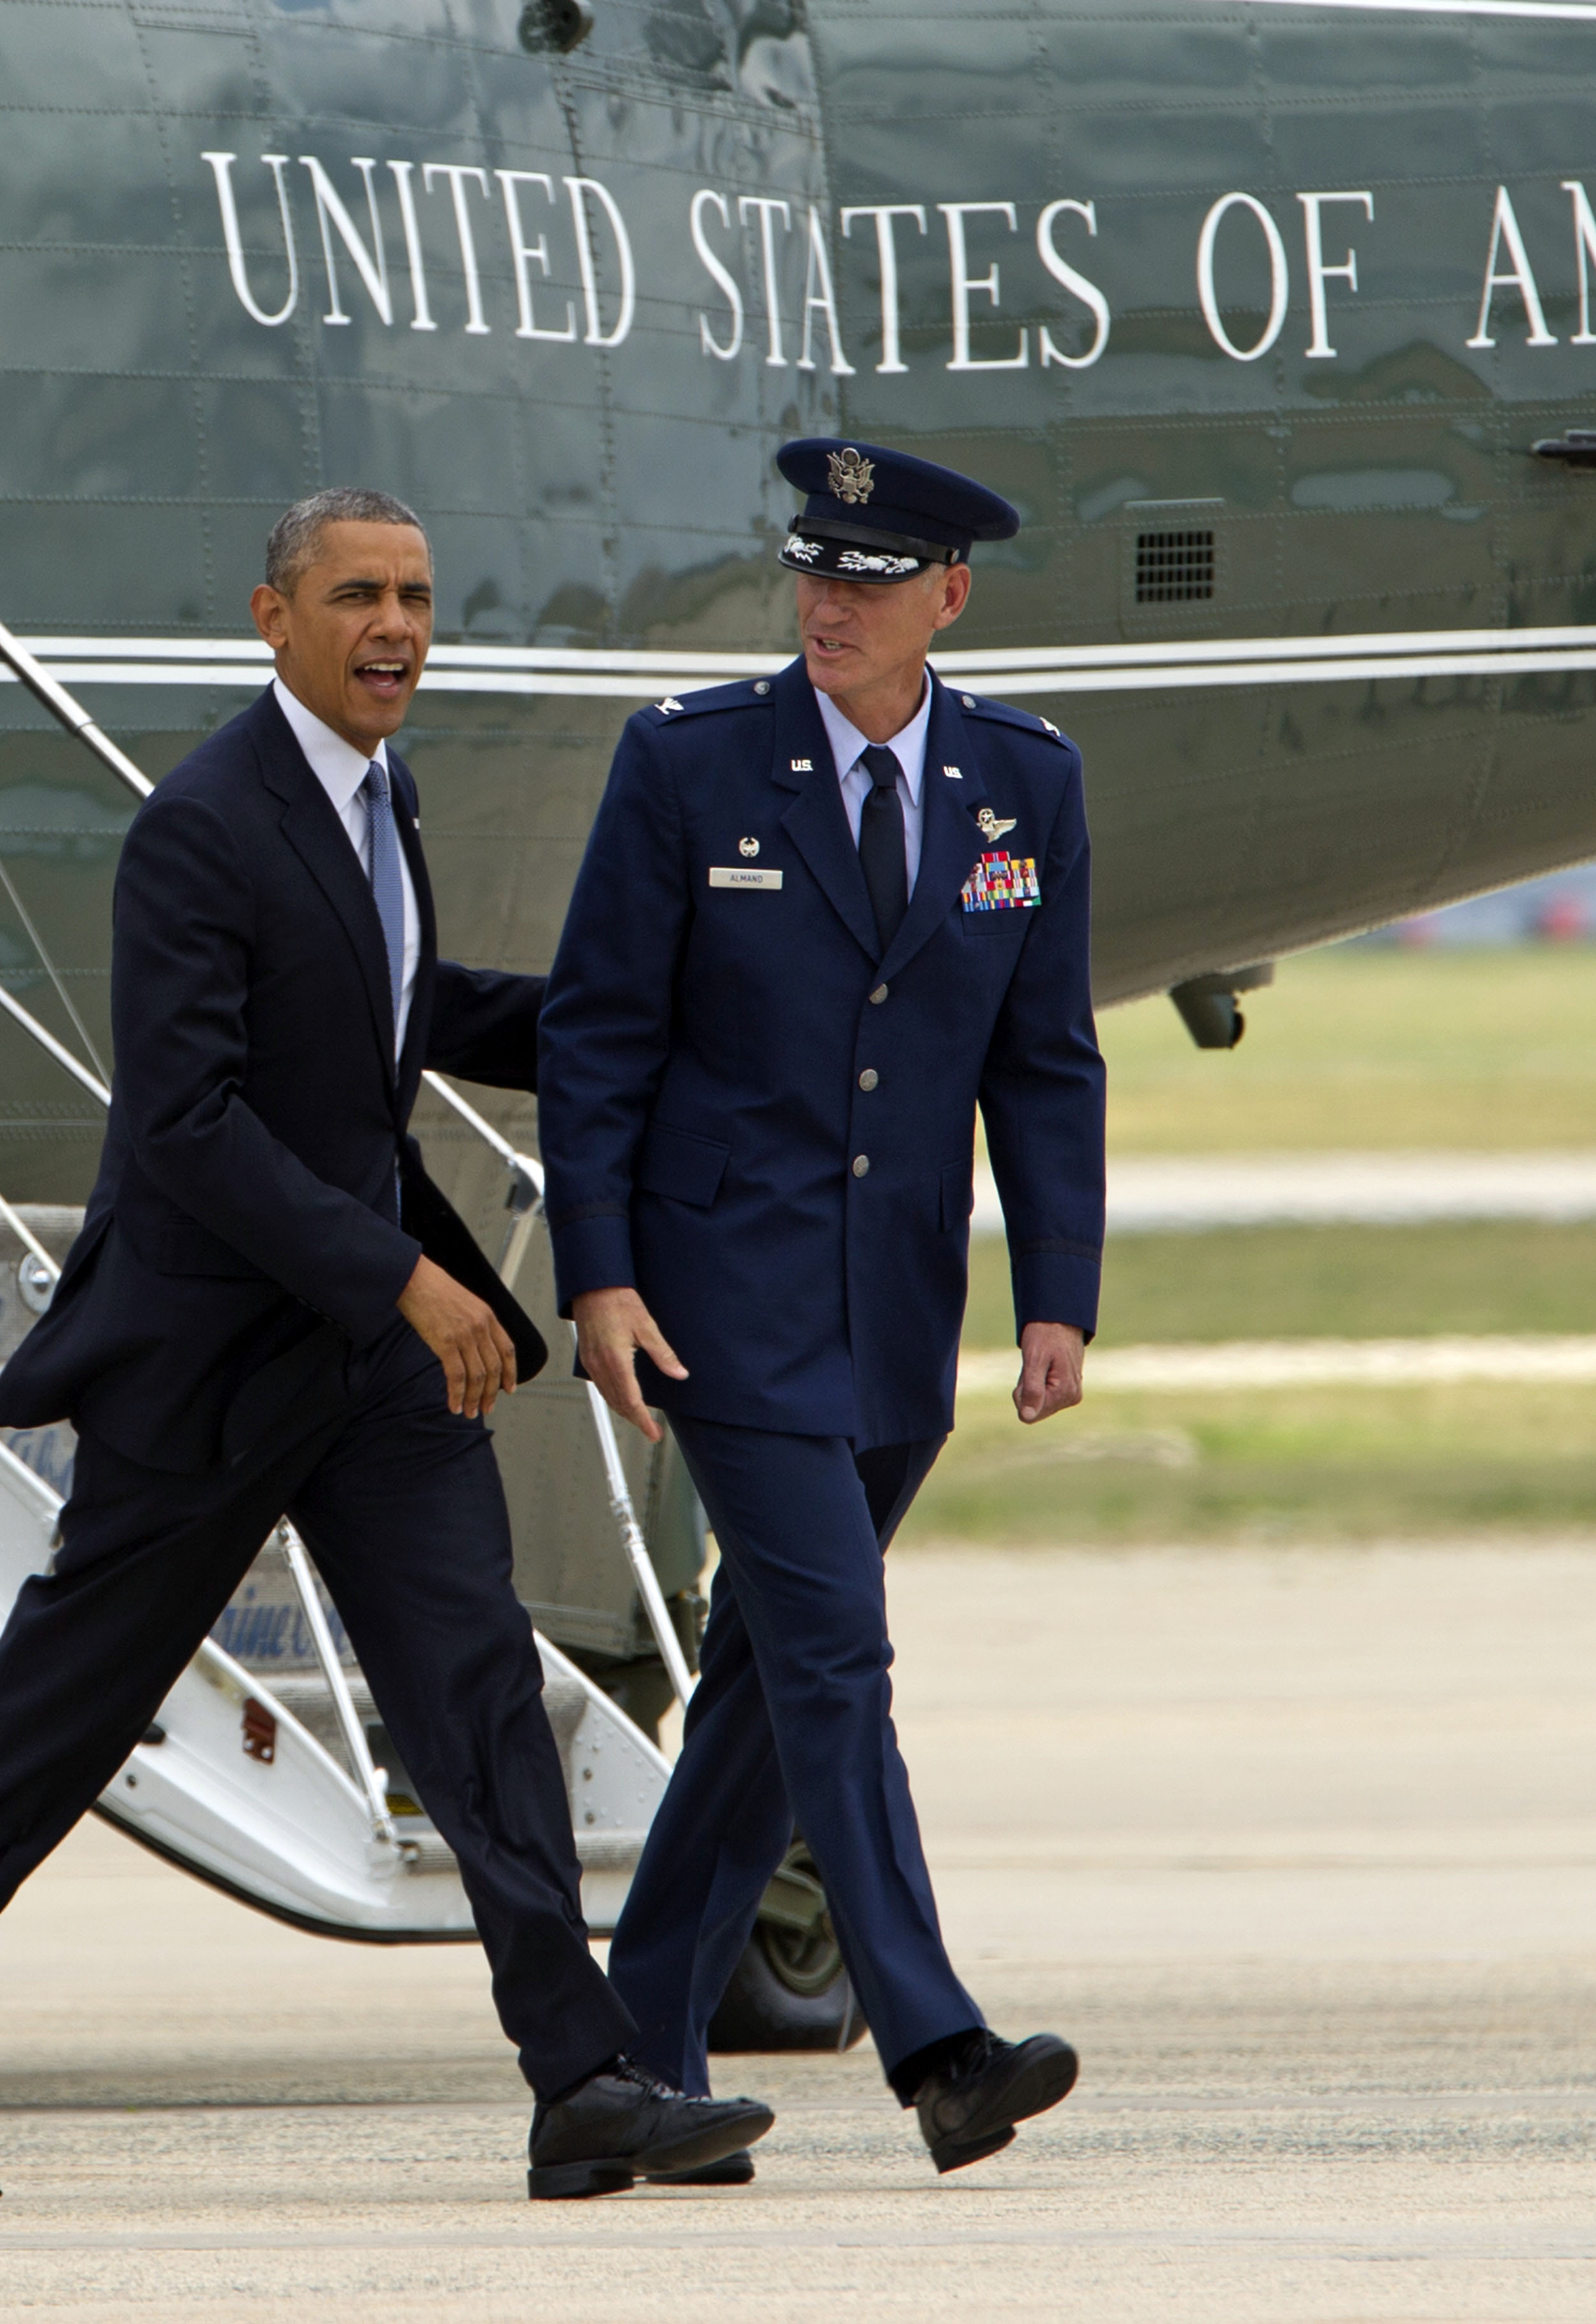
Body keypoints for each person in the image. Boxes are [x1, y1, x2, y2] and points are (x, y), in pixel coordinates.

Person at [0, 488, 771, 2205]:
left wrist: (625, 1024)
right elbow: (188, 1122)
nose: (395, 627)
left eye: (414, 595)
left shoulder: (378, 796)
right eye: (356, 598)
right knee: (58, 1718)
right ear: (274, 619)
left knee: (478, 1694)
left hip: (365, 1376)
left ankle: (582, 2082)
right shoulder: (203, 828)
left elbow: (392, 1022)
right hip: (206, 1363)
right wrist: (409, 1278)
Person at [538, 438, 1108, 2176]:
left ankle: (611, 2096)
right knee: (836, 1659)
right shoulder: (692, 763)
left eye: (867, 583)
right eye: (812, 576)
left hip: (896, 1316)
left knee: (765, 1696)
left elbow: (1045, 1060)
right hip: (722, 1300)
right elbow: (597, 1034)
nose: (828, 609)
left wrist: (1053, 1297)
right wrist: (602, 1276)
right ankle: (936, 2047)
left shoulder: (1024, 781)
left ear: (947, 595)